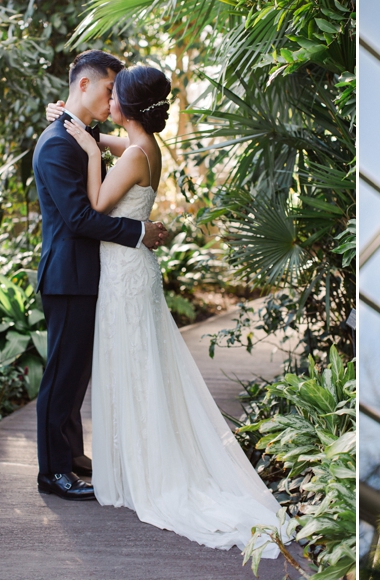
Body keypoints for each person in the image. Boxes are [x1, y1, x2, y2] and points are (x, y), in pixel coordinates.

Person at [47, 64, 285, 555]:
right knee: (140, 366)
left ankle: (144, 468)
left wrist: (91, 150)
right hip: (130, 272)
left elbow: (91, 205)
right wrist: (85, 132)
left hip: (124, 276)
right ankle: (127, 459)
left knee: (133, 367)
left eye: (115, 95)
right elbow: (122, 149)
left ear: (126, 108)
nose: (108, 100)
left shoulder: (131, 154)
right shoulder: (145, 149)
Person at [32, 50, 169, 501]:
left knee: (75, 378)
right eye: (110, 88)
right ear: (85, 85)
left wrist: (91, 138)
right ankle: (52, 473)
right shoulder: (57, 143)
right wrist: (138, 232)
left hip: (91, 276)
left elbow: (112, 150)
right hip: (68, 277)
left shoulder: (81, 135)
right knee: (62, 378)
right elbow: (77, 218)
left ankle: (71, 456)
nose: (114, 97)